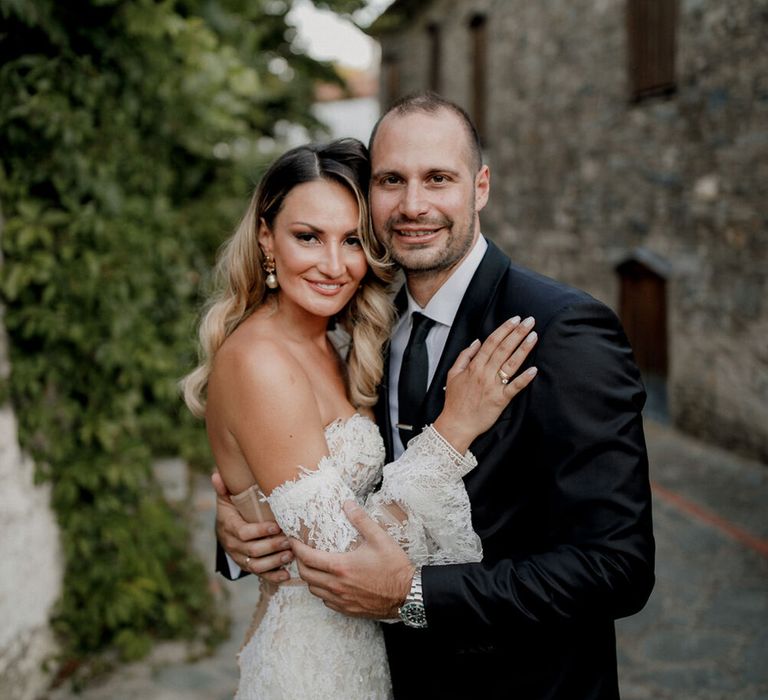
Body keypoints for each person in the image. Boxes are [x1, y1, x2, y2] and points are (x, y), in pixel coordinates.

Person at [216, 93, 655, 699]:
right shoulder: (362, 325)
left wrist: (415, 595)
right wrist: (248, 528)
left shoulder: (560, 331)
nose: (413, 205)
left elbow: (618, 568)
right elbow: (317, 484)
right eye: (391, 180)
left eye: (438, 178)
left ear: (479, 187)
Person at [183, 137, 539, 699]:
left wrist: (244, 519)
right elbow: (342, 559)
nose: (333, 265)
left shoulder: (345, 341)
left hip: (372, 655)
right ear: (265, 238)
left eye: (352, 240)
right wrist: (453, 431)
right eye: (308, 237)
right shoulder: (258, 361)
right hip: (312, 668)